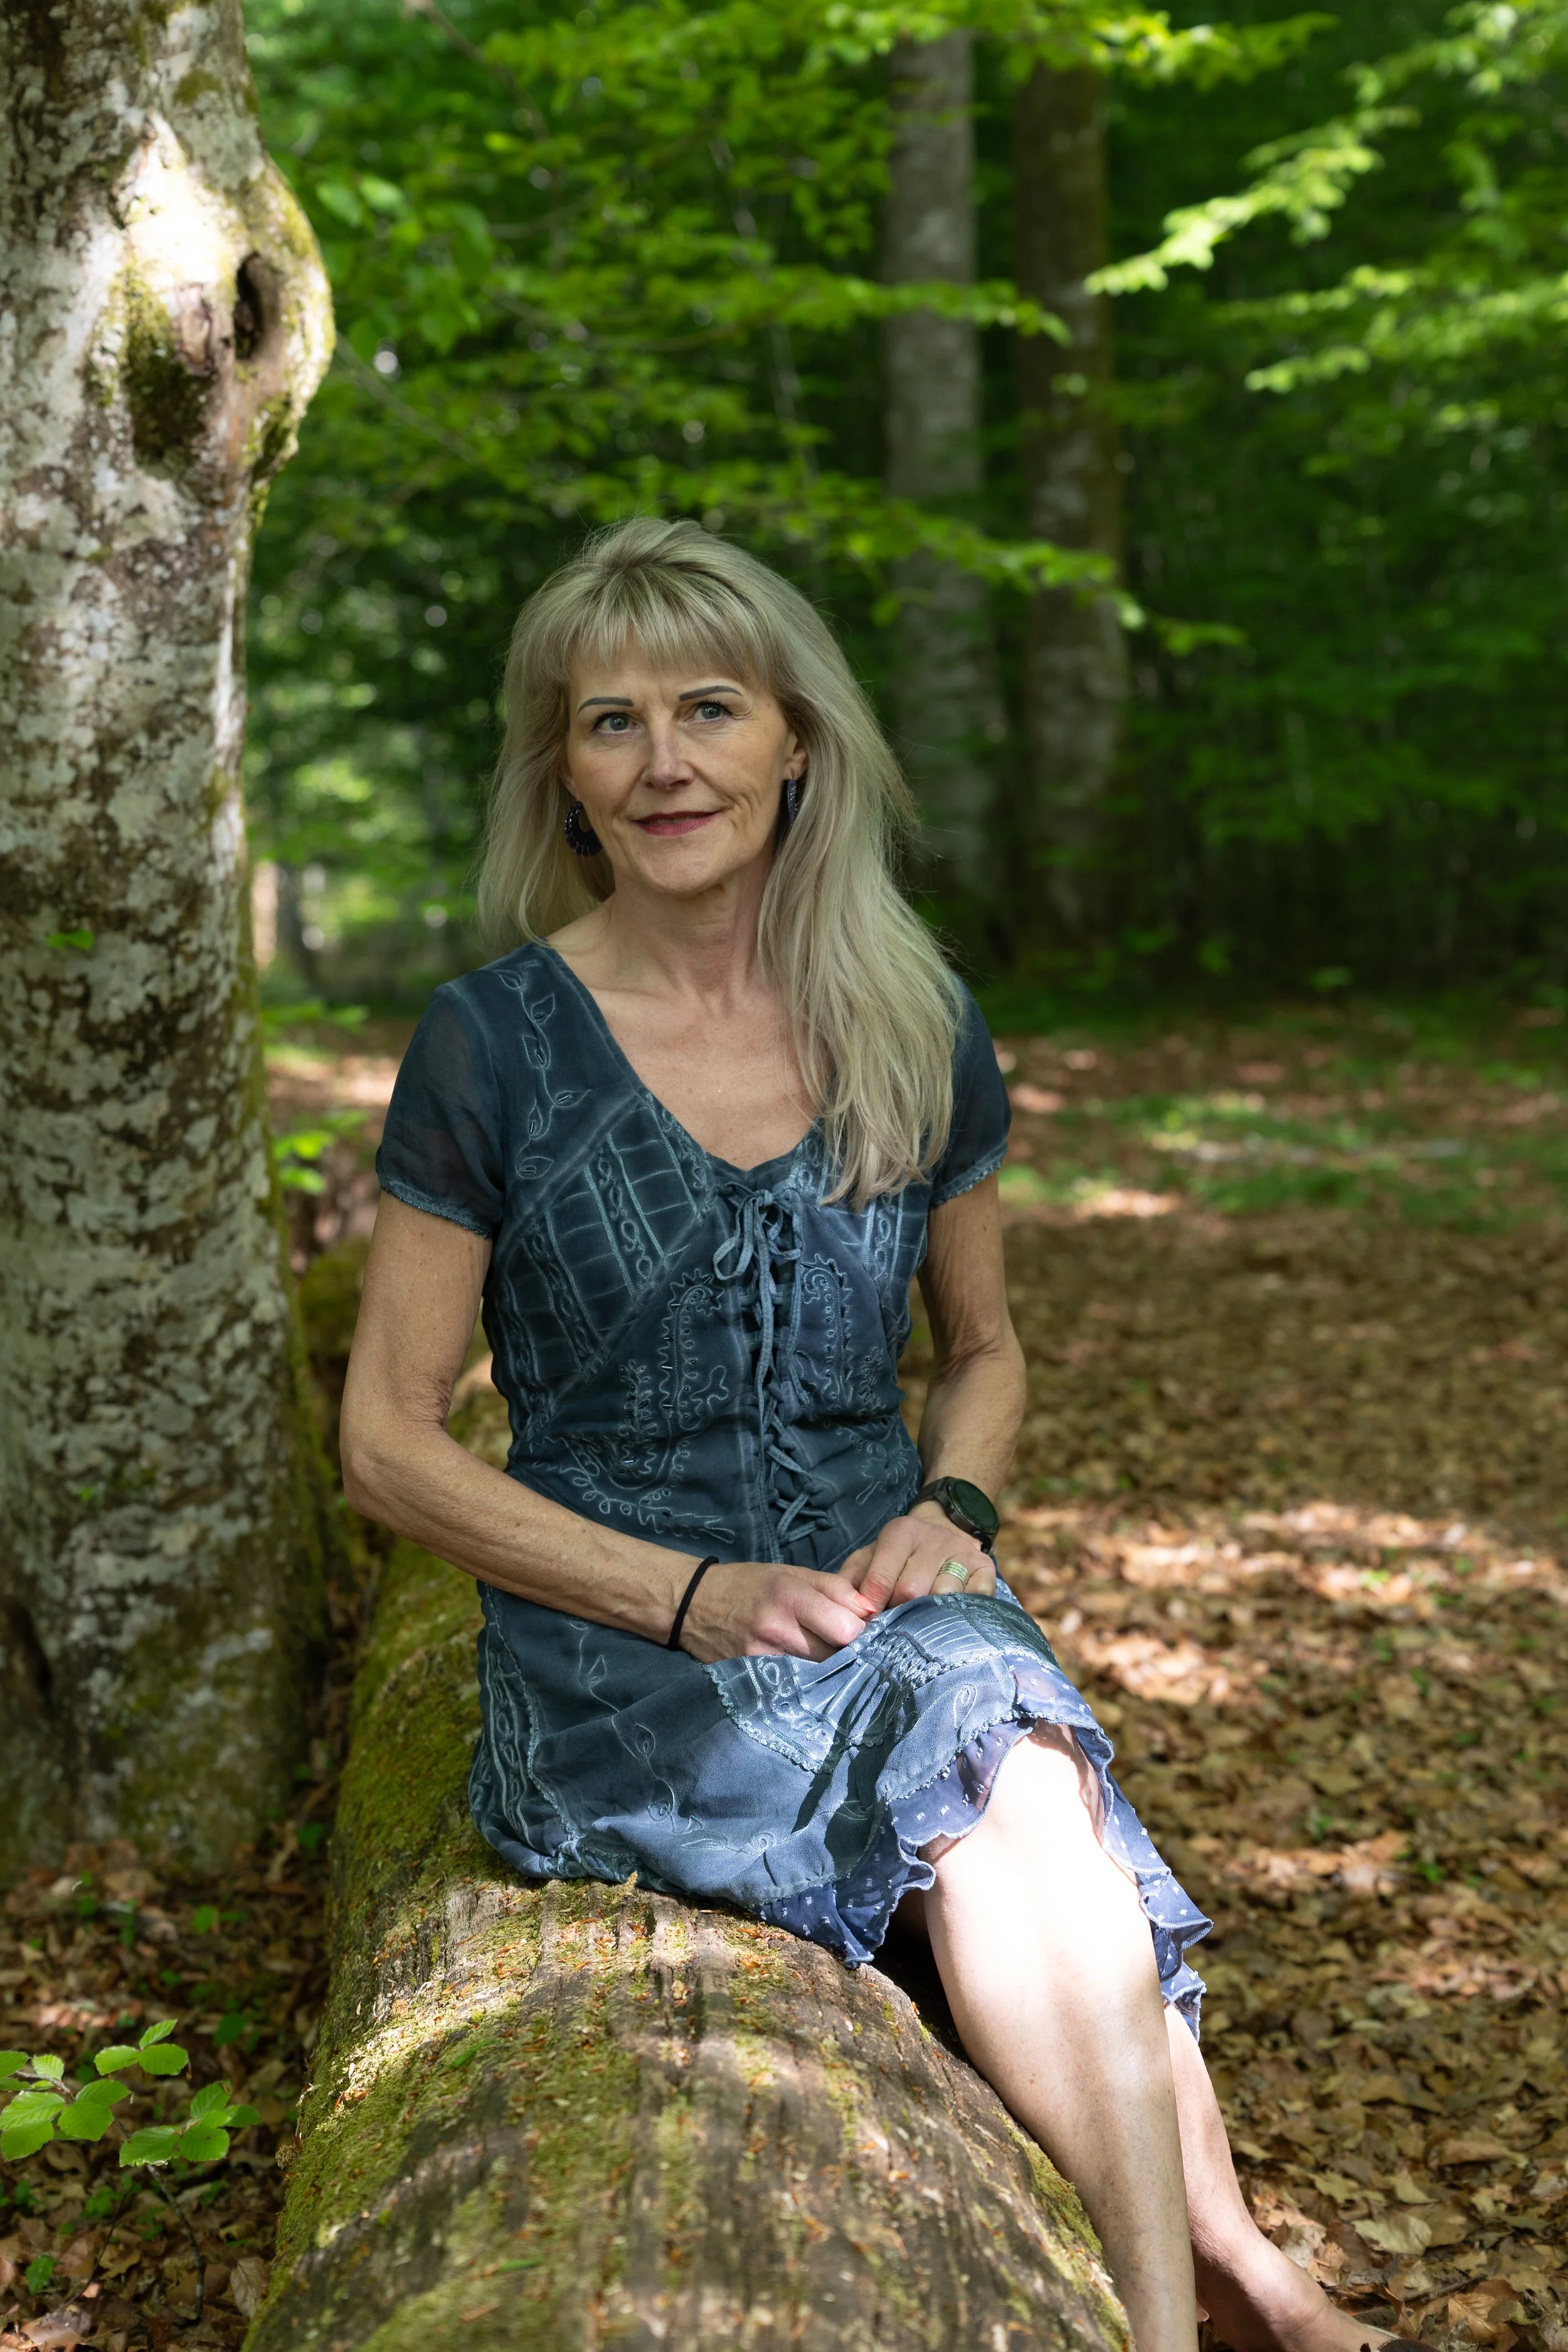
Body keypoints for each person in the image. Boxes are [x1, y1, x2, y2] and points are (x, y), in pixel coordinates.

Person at [341, 518, 1379, 2352]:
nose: (664, 762)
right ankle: (1222, 2292)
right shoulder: (489, 1042)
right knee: (1010, 1766)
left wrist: (952, 1503)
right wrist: (685, 1596)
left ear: (796, 742)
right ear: (561, 773)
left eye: (710, 708)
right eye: (609, 722)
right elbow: (387, 1445)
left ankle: (1177, 2310)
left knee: (1009, 1746)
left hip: (881, 1591)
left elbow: (981, 1352)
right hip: (619, 1643)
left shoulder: (911, 1014)